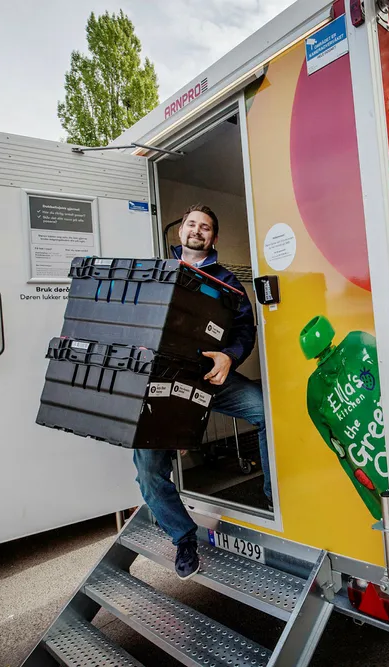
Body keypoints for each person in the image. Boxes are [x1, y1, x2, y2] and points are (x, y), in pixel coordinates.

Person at [132, 203, 272, 579]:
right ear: (180, 231)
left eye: (205, 227)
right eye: (191, 224)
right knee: (148, 470)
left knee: (266, 412)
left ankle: (272, 496)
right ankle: (184, 538)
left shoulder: (228, 282)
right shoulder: (158, 274)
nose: (197, 230)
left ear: (214, 237)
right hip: (164, 385)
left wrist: (229, 356)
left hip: (211, 377)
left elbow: (244, 331)